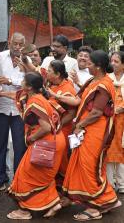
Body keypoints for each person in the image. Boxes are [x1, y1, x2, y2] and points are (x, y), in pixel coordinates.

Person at [57, 50, 122, 220]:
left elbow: (96, 112)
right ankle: (108, 199)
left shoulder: (103, 84)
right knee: (88, 167)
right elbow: (80, 101)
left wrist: (79, 125)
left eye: (90, 63)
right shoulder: (94, 80)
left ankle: (96, 207)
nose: (87, 65)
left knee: (89, 168)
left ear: (98, 66)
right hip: (88, 130)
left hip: (95, 131)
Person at [0, 72, 66, 219]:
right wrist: (0, 93)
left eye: (23, 80)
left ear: (28, 87)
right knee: (41, 177)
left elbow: (46, 127)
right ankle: (54, 204)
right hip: (53, 140)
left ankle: (25, 211)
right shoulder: (35, 96)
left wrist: (31, 138)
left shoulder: (35, 102)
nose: (21, 82)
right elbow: (16, 95)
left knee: (26, 176)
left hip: (46, 142)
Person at [0, 32, 27, 194]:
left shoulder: (26, 61)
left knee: (20, 147)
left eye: (20, 45)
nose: (17, 47)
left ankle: (18, 181)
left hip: (19, 110)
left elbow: (28, 82)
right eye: (15, 44)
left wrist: (11, 81)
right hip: (0, 107)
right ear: (9, 42)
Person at [46, 60, 77, 185]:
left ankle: (66, 187)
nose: (47, 73)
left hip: (62, 129)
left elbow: (72, 113)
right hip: (53, 129)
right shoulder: (52, 85)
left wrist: (59, 125)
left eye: (49, 71)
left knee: (62, 158)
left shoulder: (67, 88)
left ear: (57, 74)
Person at [106, 51, 124, 194]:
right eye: (111, 61)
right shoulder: (107, 78)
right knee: (109, 149)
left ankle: (122, 183)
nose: (113, 63)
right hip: (110, 120)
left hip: (123, 121)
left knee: (122, 150)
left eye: (116, 61)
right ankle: (110, 183)